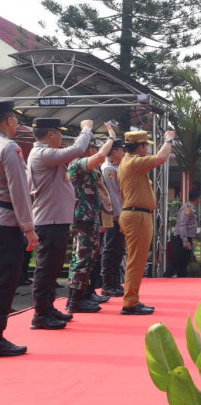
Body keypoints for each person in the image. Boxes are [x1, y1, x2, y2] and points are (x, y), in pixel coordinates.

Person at [28, 117, 93, 330]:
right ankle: (40, 314)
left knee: (53, 267)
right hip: (49, 220)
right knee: (46, 268)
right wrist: (86, 129)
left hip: (56, 219)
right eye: (59, 132)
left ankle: (48, 307)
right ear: (51, 134)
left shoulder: (47, 154)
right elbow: (78, 149)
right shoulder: (43, 154)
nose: (61, 137)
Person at [118, 129, 176, 315]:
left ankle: (132, 299)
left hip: (136, 215)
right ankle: (130, 303)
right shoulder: (133, 162)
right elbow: (161, 158)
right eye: (145, 146)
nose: (146, 150)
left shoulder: (129, 162)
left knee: (136, 261)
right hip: (137, 216)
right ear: (140, 146)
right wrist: (168, 139)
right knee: (136, 261)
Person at [0, 101, 38, 356]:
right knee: (5, 280)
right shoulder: (9, 148)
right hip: (6, 222)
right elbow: (19, 191)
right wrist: (28, 227)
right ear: (7, 120)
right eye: (14, 117)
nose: (16, 122)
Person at [66, 130, 116, 313]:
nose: (95, 150)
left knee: (86, 259)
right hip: (82, 218)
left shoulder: (87, 167)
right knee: (82, 259)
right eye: (93, 146)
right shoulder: (77, 163)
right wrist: (111, 139)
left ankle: (79, 296)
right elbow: (101, 156)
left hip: (89, 218)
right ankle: (74, 301)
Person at [100, 138, 125, 297]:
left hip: (117, 216)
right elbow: (113, 196)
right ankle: (108, 284)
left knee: (117, 250)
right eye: (121, 150)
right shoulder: (108, 169)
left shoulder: (113, 167)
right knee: (110, 250)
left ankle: (114, 282)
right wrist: (119, 215)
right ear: (114, 152)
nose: (123, 153)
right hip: (113, 217)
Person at [164, 189, 201, 278]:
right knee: (176, 260)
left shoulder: (190, 207)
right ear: (197, 198)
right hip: (180, 238)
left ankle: (181, 280)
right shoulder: (187, 209)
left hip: (186, 238)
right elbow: (183, 224)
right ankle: (165, 278)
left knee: (184, 261)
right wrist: (185, 240)